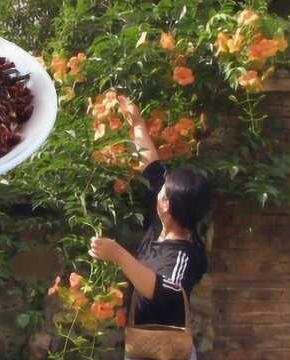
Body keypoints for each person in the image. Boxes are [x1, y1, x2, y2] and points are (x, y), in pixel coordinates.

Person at [89, 96, 211, 360]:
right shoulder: (164, 222)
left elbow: (166, 290)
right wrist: (137, 123)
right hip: (144, 344)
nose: (159, 189)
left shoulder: (184, 254)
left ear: (166, 205)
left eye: (163, 192)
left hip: (167, 351)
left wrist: (119, 255)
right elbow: (152, 168)